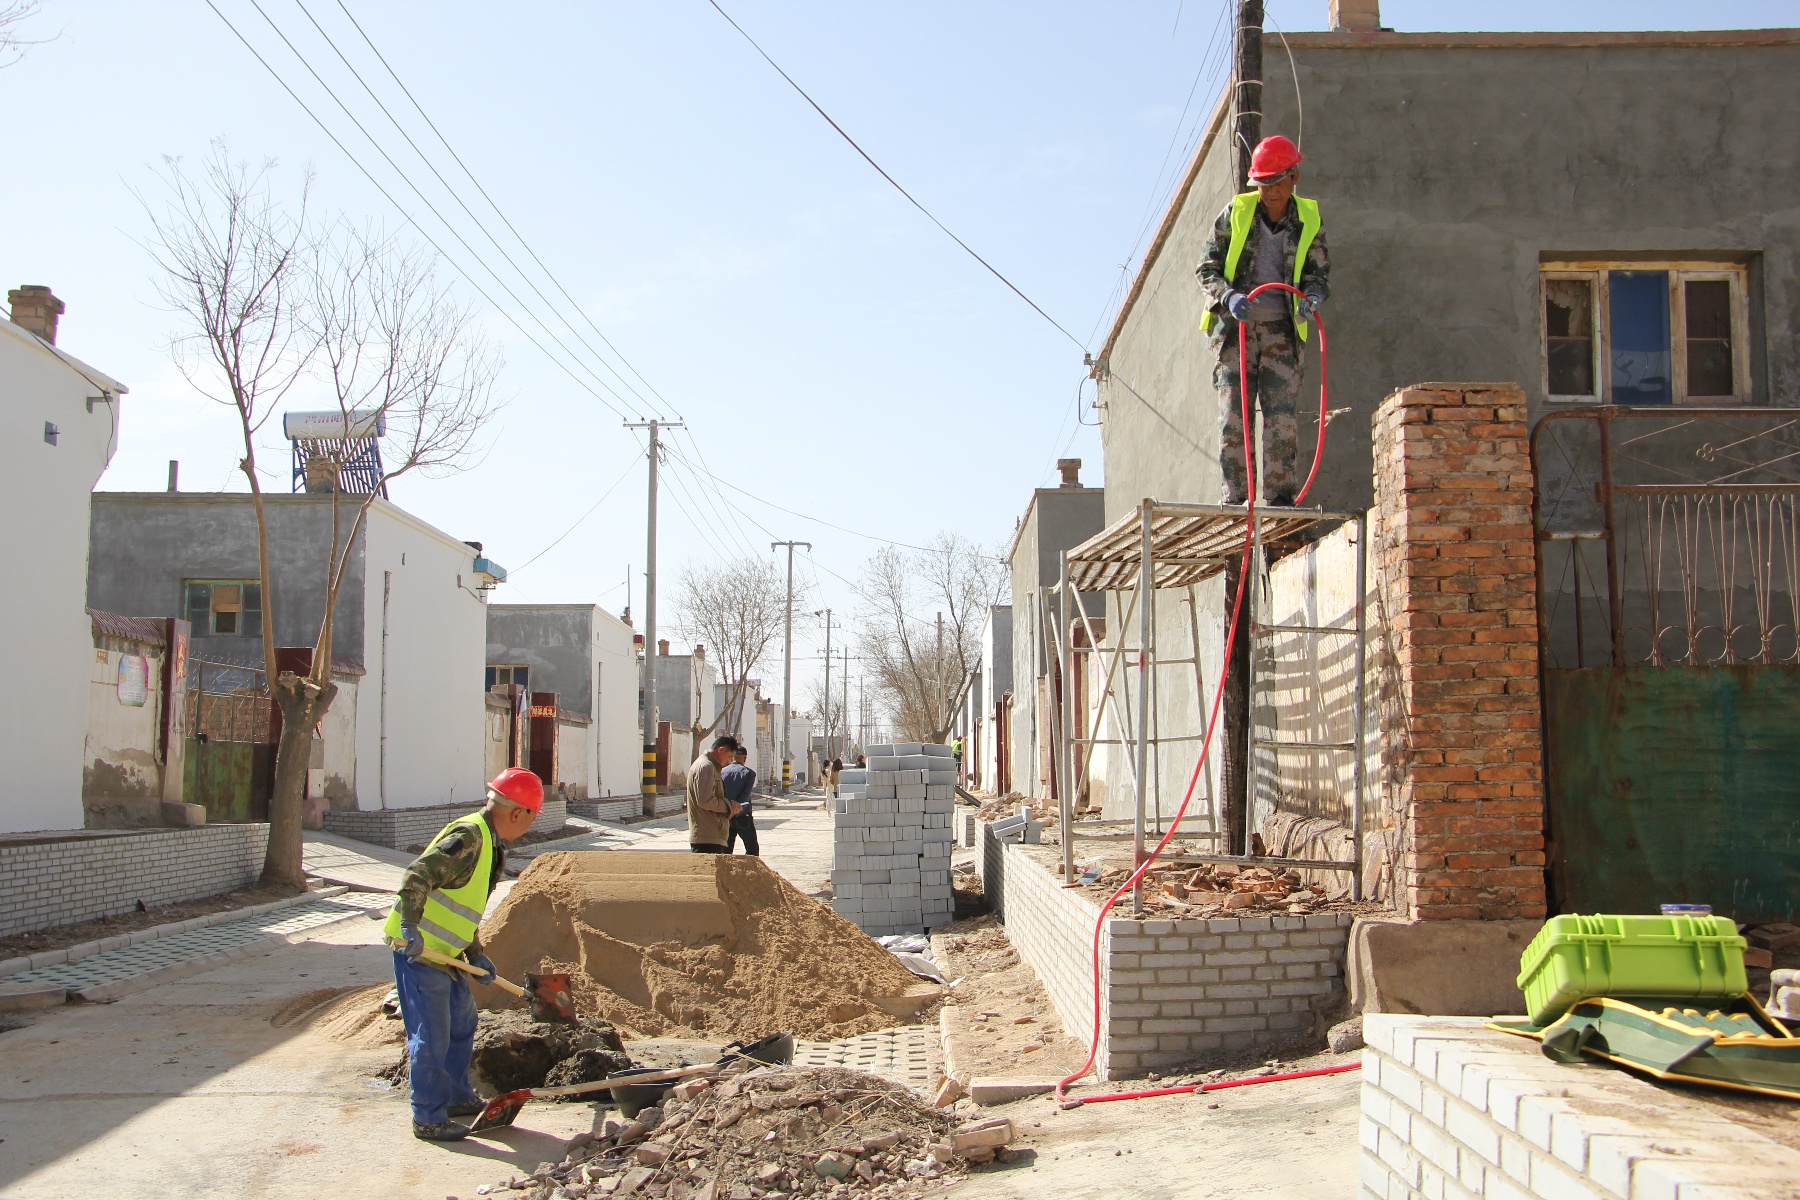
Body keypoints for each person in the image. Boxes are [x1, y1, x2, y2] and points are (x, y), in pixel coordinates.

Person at [383, 767, 543, 1142]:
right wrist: (408, 926)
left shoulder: (489, 842)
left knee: (462, 1024)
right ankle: (428, 1117)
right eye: (532, 818)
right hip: (419, 952)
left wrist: (475, 953)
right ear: (518, 813)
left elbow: (460, 904)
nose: (528, 826)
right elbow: (417, 875)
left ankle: (455, 1098)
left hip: (447, 955)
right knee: (432, 1035)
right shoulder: (470, 837)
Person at [1196, 134, 1330, 507]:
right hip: (1236, 333)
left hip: (1282, 333)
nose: (1269, 191)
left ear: (1293, 178)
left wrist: (1313, 297)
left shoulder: (1308, 218)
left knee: (1281, 421)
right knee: (1233, 422)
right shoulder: (1237, 213)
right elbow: (1206, 268)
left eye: (1276, 183)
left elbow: (1318, 274)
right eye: (1263, 184)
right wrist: (1229, 296)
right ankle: (1239, 501)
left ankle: (1278, 502)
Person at [688, 734, 742, 853]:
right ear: (721, 750)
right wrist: (729, 806)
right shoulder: (706, 766)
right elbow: (705, 800)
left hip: (710, 834)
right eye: (729, 757)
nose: (729, 762)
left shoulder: (709, 766)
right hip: (707, 836)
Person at [722, 743, 759, 856]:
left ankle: (726, 872)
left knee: (726, 850)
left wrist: (729, 811)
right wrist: (736, 810)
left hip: (726, 815)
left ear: (732, 757)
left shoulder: (722, 772)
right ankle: (750, 872)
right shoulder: (749, 773)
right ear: (745, 758)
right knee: (752, 849)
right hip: (742, 816)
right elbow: (745, 797)